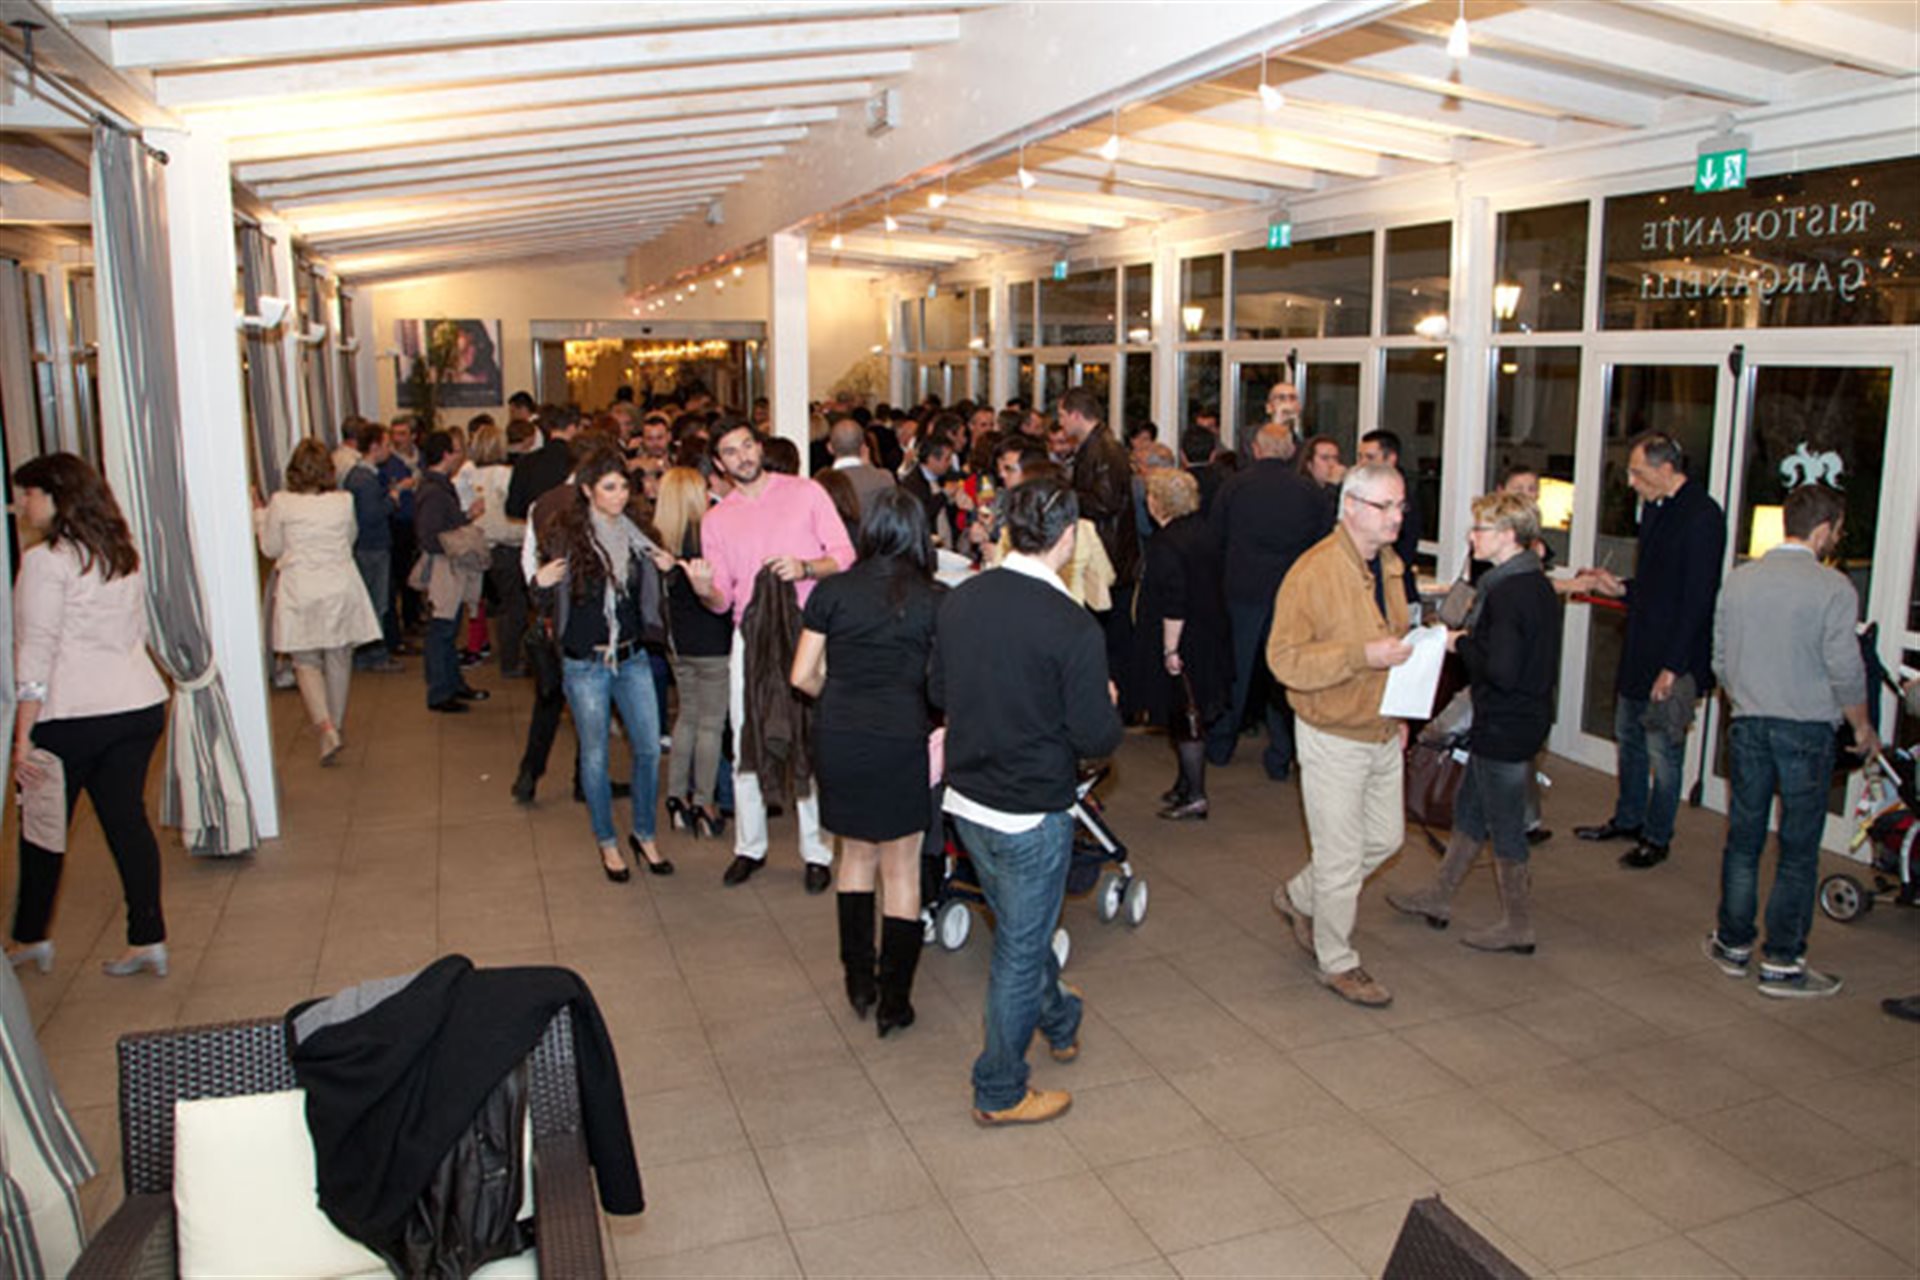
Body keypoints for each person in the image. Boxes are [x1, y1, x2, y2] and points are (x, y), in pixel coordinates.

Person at [934, 475, 1123, 1125]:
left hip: (968, 800)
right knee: (1019, 948)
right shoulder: (1071, 626)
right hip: (1031, 813)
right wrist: (1106, 704)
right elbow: (1096, 737)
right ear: (1069, 538)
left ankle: (1061, 1017)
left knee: (1023, 926)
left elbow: (938, 690)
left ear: (1010, 530)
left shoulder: (961, 599)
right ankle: (1000, 1090)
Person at [1703, 483, 1874, 998]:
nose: (1836, 539)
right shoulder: (1834, 589)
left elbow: (1720, 658)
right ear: (1823, 530)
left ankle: (1733, 945)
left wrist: (1747, 696)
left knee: (1744, 841)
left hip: (1748, 723)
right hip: (1806, 730)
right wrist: (1861, 725)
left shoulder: (1740, 581)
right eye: (1837, 530)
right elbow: (1844, 667)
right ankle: (1781, 962)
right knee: (1797, 851)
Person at [7, 454, 171, 979]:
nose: (21, 505)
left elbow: (36, 650)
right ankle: (148, 938)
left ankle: (31, 935)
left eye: (29, 494)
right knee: (127, 823)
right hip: (137, 702)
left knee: (42, 828)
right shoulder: (120, 553)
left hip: (72, 713)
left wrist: (22, 735)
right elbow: (137, 630)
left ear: (56, 498)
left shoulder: (46, 561)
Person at [791, 488, 940, 1036]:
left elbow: (801, 676)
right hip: (901, 735)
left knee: (854, 857)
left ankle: (859, 981)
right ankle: (894, 1001)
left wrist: (841, 695)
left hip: (840, 733)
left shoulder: (833, 591)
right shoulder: (935, 599)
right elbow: (942, 686)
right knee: (902, 868)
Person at [1266, 463, 1414, 1008]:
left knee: (1386, 840)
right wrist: (1360, 656)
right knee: (1339, 857)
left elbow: (1395, 645)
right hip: (1331, 732)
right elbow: (1284, 660)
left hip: (1381, 726)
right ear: (1351, 506)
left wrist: (1399, 710)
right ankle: (1338, 961)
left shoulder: (1389, 566)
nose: (1397, 517)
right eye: (1385, 506)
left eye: (1400, 506)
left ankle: (1297, 896)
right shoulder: (1313, 572)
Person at [1388, 491, 1562, 952]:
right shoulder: (1535, 582)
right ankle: (1439, 895)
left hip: (1506, 722)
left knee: (1505, 826)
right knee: (1470, 812)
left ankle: (1518, 925)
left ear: (1508, 535)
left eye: (1480, 529)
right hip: (1520, 717)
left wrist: (1459, 643)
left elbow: (1501, 668)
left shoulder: (1507, 592)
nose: (1472, 537)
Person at [688, 422, 856, 891]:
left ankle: (818, 851)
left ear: (759, 448)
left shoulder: (806, 493)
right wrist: (703, 589)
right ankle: (749, 847)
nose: (743, 456)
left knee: (811, 738)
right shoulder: (716, 520)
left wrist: (805, 567)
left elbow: (844, 555)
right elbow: (723, 600)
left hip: (811, 632)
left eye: (747, 445)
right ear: (719, 463)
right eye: (730, 451)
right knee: (748, 737)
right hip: (751, 637)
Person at [1572, 432, 1725, 870]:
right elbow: (1656, 585)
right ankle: (1628, 819)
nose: (1631, 482)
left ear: (1666, 469)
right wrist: (1619, 587)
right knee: (1630, 740)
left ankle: (1657, 837)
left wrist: (1673, 667)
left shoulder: (1702, 516)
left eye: (1638, 473)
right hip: (1640, 647)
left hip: (1673, 657)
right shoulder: (1655, 509)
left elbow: (1697, 599)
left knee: (1664, 751)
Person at [529, 451, 671, 882]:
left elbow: (651, 597)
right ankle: (607, 842)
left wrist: (667, 570)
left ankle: (644, 834)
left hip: (633, 657)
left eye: (624, 486)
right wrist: (539, 584)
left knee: (648, 749)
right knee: (595, 757)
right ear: (588, 490)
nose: (620, 495)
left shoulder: (639, 534)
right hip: (585, 664)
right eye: (610, 487)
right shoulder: (565, 536)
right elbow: (547, 598)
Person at [1207, 423, 1336, 777]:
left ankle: (1220, 745)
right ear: (1292, 451)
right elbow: (1324, 545)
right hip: (1291, 594)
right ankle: (1282, 754)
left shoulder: (1234, 487)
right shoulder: (1310, 493)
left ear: (1256, 449)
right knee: (1284, 676)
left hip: (1242, 591)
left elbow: (1216, 538)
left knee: (1236, 672)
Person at [256, 439, 385, 765]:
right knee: (339, 656)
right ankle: (336, 724)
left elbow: (271, 548)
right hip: (339, 584)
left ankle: (325, 727)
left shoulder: (281, 503)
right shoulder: (343, 501)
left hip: (300, 587)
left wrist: (259, 515)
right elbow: (350, 538)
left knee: (306, 661)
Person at [1134, 469, 1230, 821]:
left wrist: (1170, 650)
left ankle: (1195, 795)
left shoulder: (1166, 543)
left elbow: (1174, 598)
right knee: (1190, 712)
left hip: (1183, 639)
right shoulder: (1205, 532)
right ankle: (1184, 784)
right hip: (1209, 633)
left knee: (1186, 716)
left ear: (1158, 502)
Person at [655, 466, 732, 839]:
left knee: (686, 718)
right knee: (711, 724)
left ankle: (675, 798)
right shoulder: (708, 537)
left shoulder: (660, 541)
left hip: (677, 642)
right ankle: (704, 802)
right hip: (712, 640)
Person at [1058, 387, 1139, 703]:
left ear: (1076, 415)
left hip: (1109, 555)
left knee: (1111, 638)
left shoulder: (1104, 450)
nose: (1060, 423)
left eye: (1062, 416)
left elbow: (1106, 502)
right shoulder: (1096, 446)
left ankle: (1113, 703)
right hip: (1105, 553)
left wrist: (1066, 495)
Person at [413, 430, 491, 713]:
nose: (460, 456)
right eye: (457, 450)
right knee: (442, 630)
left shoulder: (436, 486)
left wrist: (466, 517)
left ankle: (453, 683)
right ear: (446, 454)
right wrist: (462, 536)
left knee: (449, 628)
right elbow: (430, 536)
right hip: (444, 567)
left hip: (448, 564)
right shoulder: (435, 492)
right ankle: (440, 691)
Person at [341, 421, 405, 672]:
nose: (390, 450)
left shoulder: (358, 475)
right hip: (372, 547)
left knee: (368, 602)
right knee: (376, 604)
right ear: (375, 447)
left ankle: (366, 654)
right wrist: (392, 500)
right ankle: (375, 655)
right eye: (387, 445)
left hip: (364, 546)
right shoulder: (365, 479)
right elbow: (371, 515)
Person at [468, 422, 527, 677]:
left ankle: (507, 655)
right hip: (507, 544)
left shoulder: (468, 474)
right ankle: (510, 661)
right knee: (515, 607)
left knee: (501, 603)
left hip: (481, 545)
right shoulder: (505, 475)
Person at [1357, 429, 1420, 601]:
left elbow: (1402, 552)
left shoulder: (1403, 498)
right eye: (1360, 457)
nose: (1362, 464)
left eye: (1370, 457)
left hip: (1393, 591)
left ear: (1390, 459)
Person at [820, 416, 895, 515]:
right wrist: (869, 466)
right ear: (863, 447)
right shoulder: (884, 478)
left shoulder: (821, 483)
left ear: (830, 448)